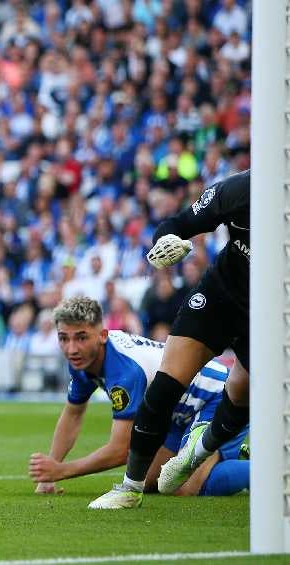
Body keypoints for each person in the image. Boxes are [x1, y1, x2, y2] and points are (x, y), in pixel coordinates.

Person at [89, 169, 250, 509]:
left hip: (269, 312)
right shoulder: (239, 190)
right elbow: (177, 223)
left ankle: (197, 452)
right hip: (220, 297)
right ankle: (130, 488)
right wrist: (168, 242)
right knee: (164, 386)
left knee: (239, 401)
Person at [29, 297, 248, 498]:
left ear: (103, 335)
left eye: (81, 338)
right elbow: (73, 413)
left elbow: (121, 450)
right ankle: (230, 454)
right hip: (176, 412)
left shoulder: (125, 372)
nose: (72, 349)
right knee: (153, 482)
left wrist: (61, 471)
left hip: (217, 396)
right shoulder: (83, 360)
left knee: (184, 488)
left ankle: (271, 470)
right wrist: (51, 470)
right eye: (63, 339)